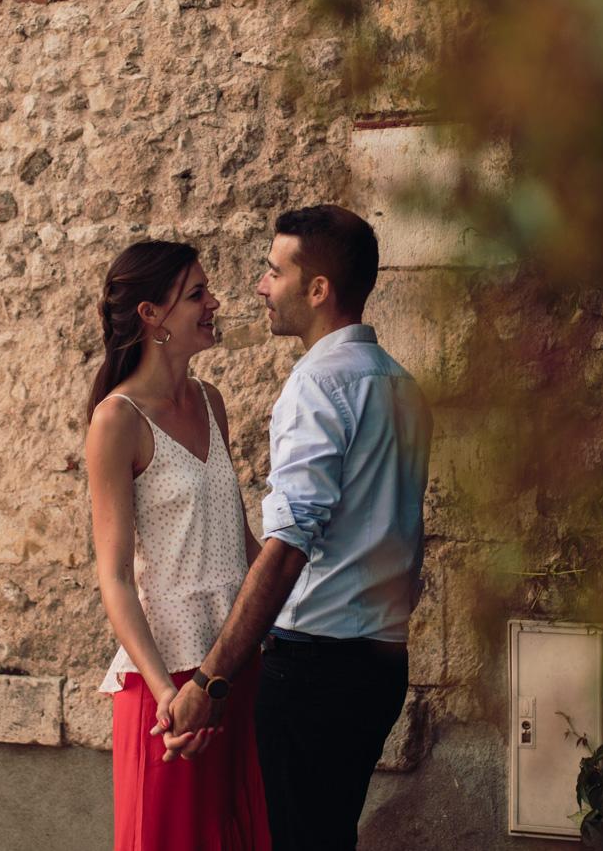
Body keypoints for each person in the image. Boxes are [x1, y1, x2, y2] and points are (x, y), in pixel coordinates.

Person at [158, 205, 431, 851]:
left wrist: (209, 679)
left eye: (273, 270)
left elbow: (287, 551)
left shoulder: (317, 387)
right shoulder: (401, 386)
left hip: (314, 670)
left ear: (317, 289)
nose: (259, 285)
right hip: (380, 666)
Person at [86, 239, 271, 851]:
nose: (214, 302)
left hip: (232, 667)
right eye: (197, 293)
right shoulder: (118, 421)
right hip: (166, 683)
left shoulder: (211, 402)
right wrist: (168, 695)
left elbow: (240, 541)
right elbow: (113, 577)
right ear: (151, 315)